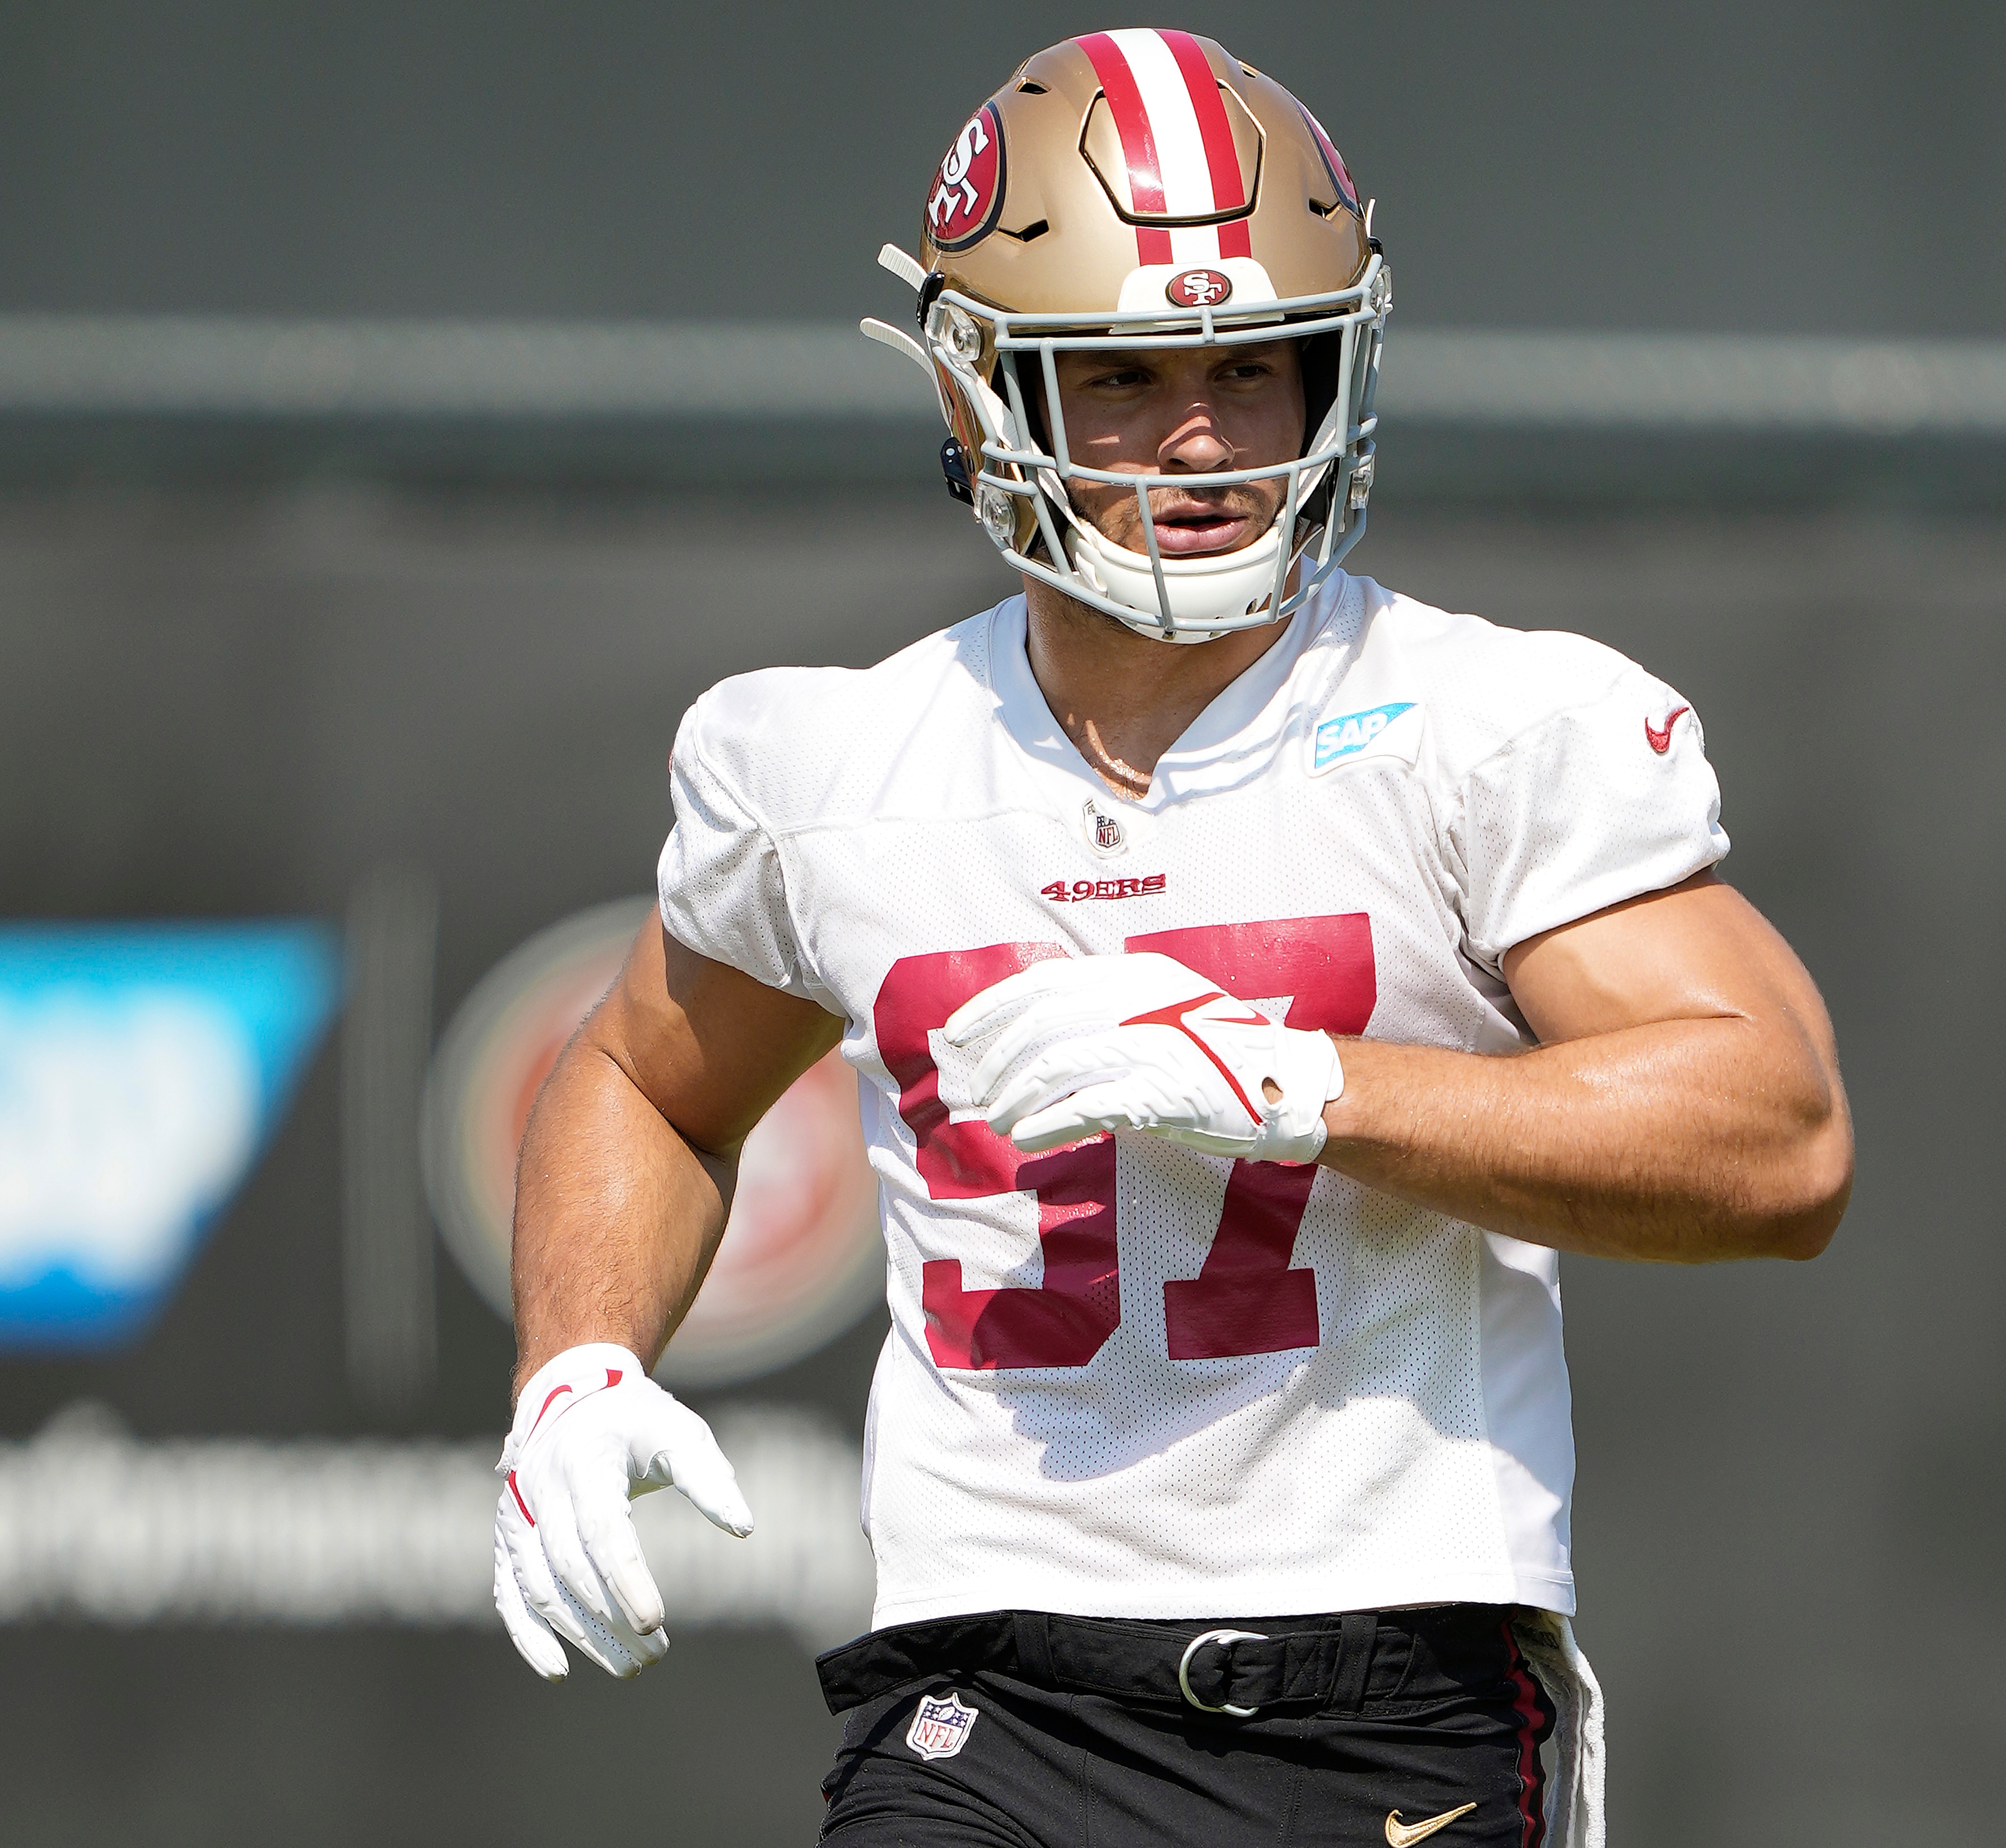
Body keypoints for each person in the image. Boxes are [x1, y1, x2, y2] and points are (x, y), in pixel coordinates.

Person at [486, 31, 1853, 1848]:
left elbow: (1781, 1134)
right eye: (1123, 375)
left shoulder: (1477, 725)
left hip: (1390, 1693)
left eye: (1255, 363)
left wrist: (1300, 1082)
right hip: (989, 1697)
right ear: (982, 399)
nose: (1204, 435)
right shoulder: (839, 765)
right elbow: (647, 1084)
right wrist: (577, 1362)